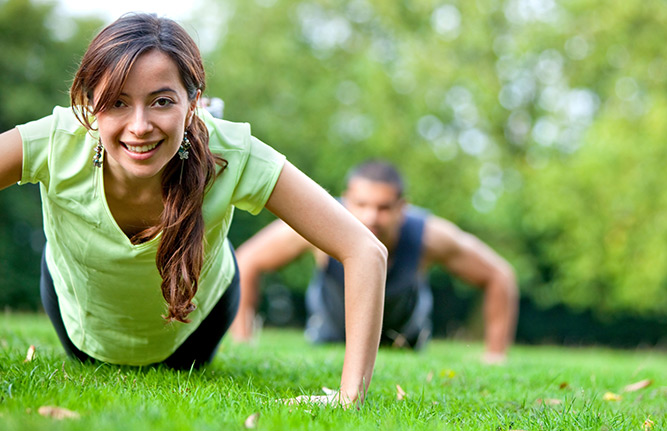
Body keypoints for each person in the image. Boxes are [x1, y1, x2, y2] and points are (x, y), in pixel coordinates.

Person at [0, 13, 386, 406]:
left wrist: (349, 396)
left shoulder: (234, 152)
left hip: (194, 334)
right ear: (89, 105)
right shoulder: (55, 141)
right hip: (81, 330)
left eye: (162, 101)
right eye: (117, 102)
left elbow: (365, 251)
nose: (139, 126)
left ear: (192, 103)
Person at [232, 160, 519, 363]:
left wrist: (495, 355)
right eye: (362, 204)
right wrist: (243, 339)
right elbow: (248, 260)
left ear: (402, 208)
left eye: (383, 208)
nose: (371, 217)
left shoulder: (430, 236)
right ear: (345, 201)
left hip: (404, 345)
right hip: (329, 340)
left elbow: (499, 276)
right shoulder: (317, 222)